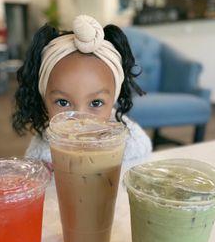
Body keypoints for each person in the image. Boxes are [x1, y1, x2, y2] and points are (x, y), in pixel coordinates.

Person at [12, 15, 152, 165]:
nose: (80, 120)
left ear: (113, 100)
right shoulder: (42, 153)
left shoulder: (129, 142)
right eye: (63, 102)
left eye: (96, 103)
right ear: (44, 98)